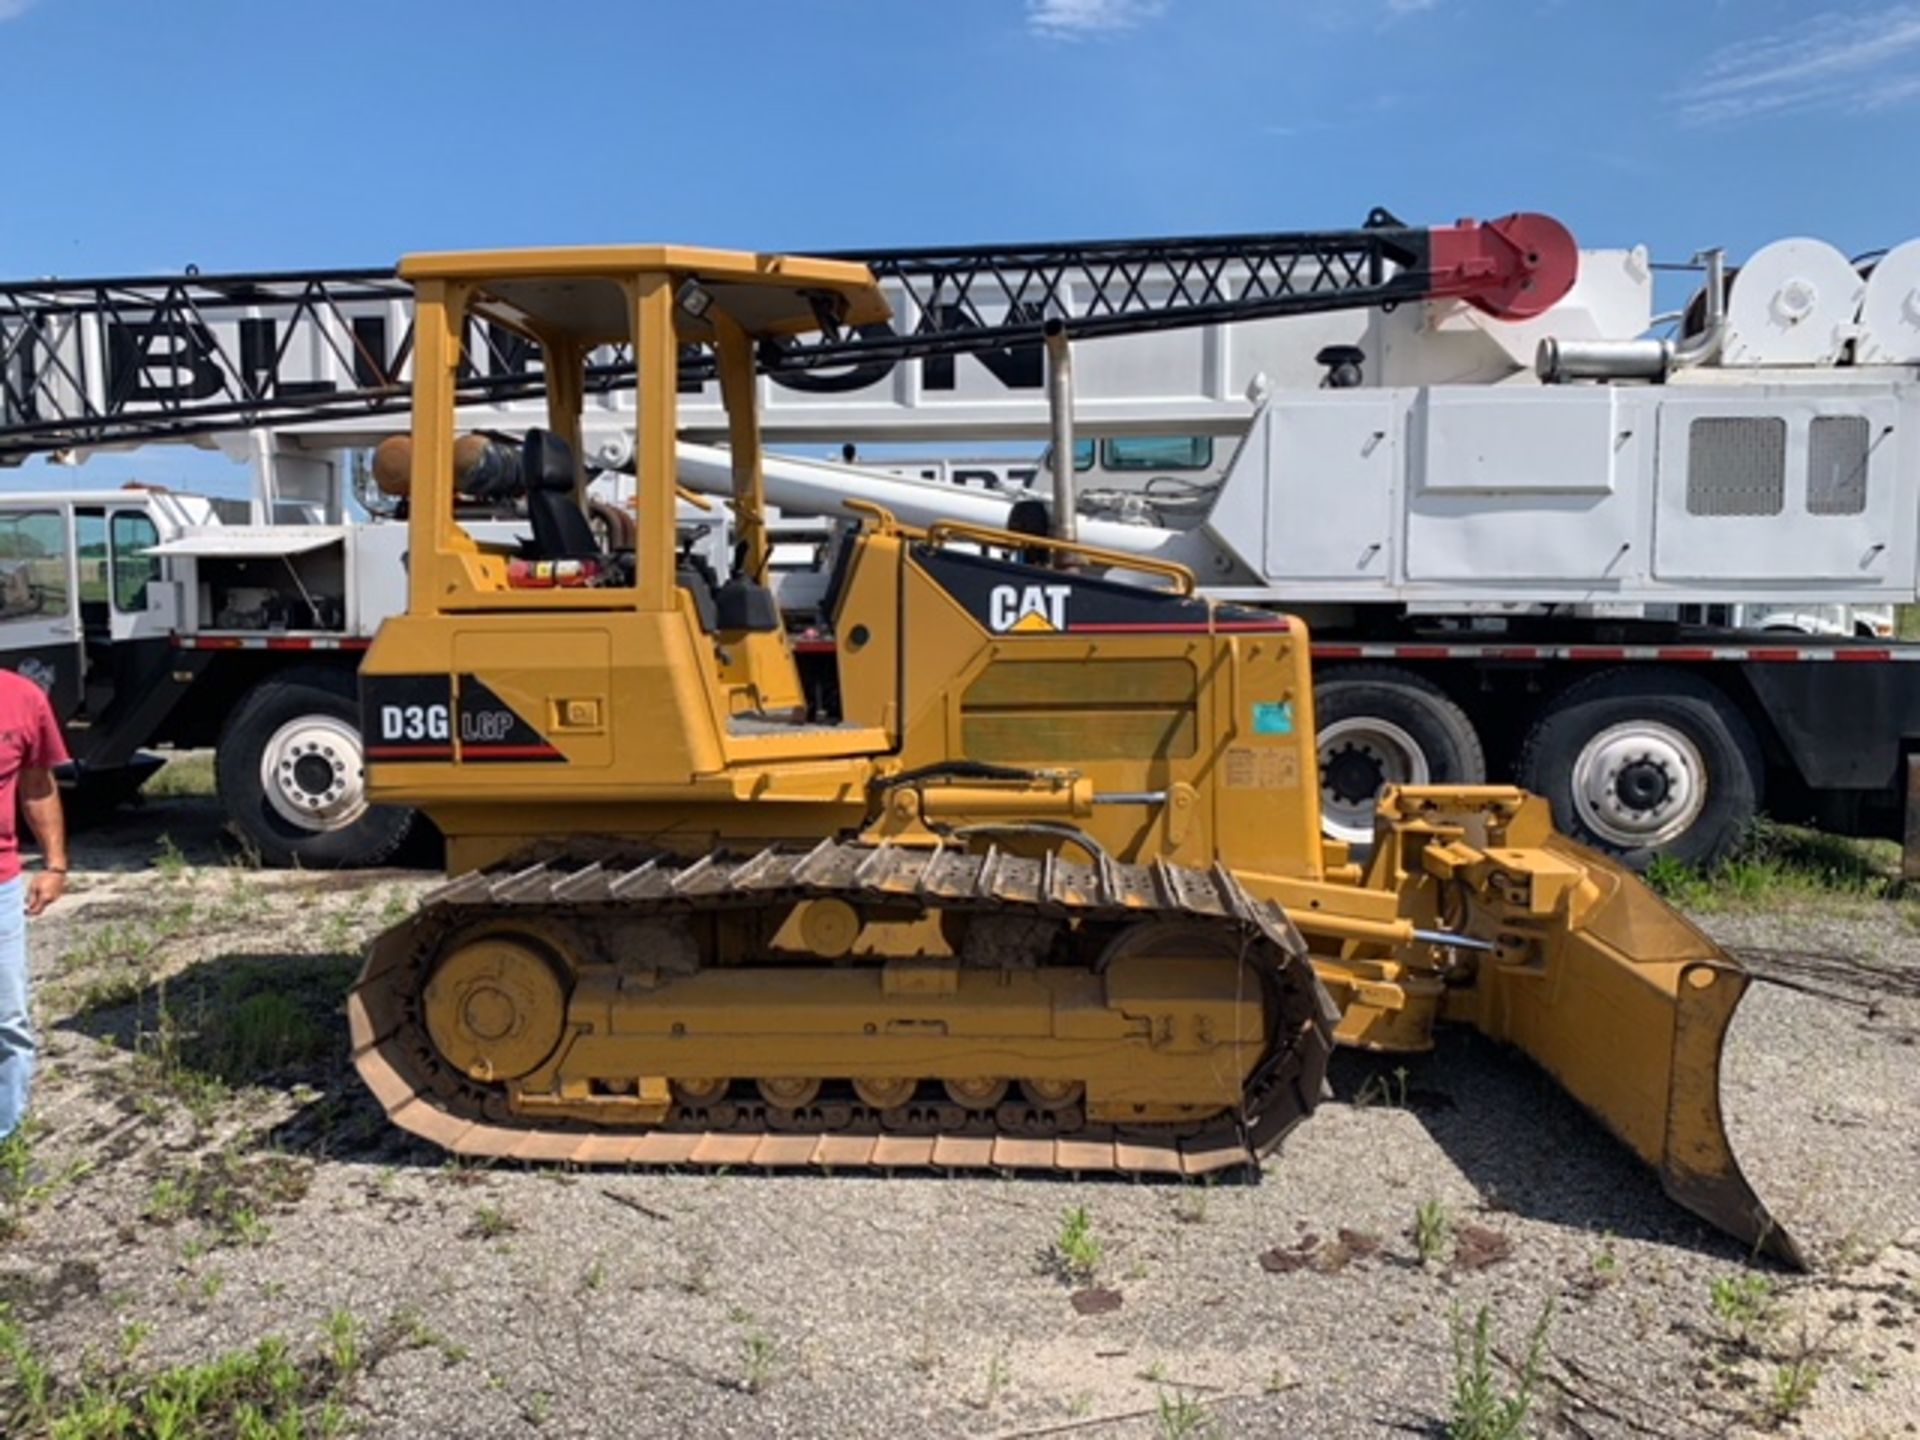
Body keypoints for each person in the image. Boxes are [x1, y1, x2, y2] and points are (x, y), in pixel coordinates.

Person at [0, 670, 68, 1143]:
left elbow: (37, 785)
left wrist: (55, 864)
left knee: (8, 1020)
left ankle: (8, 1140)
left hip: (1, 883)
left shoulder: (22, 698)